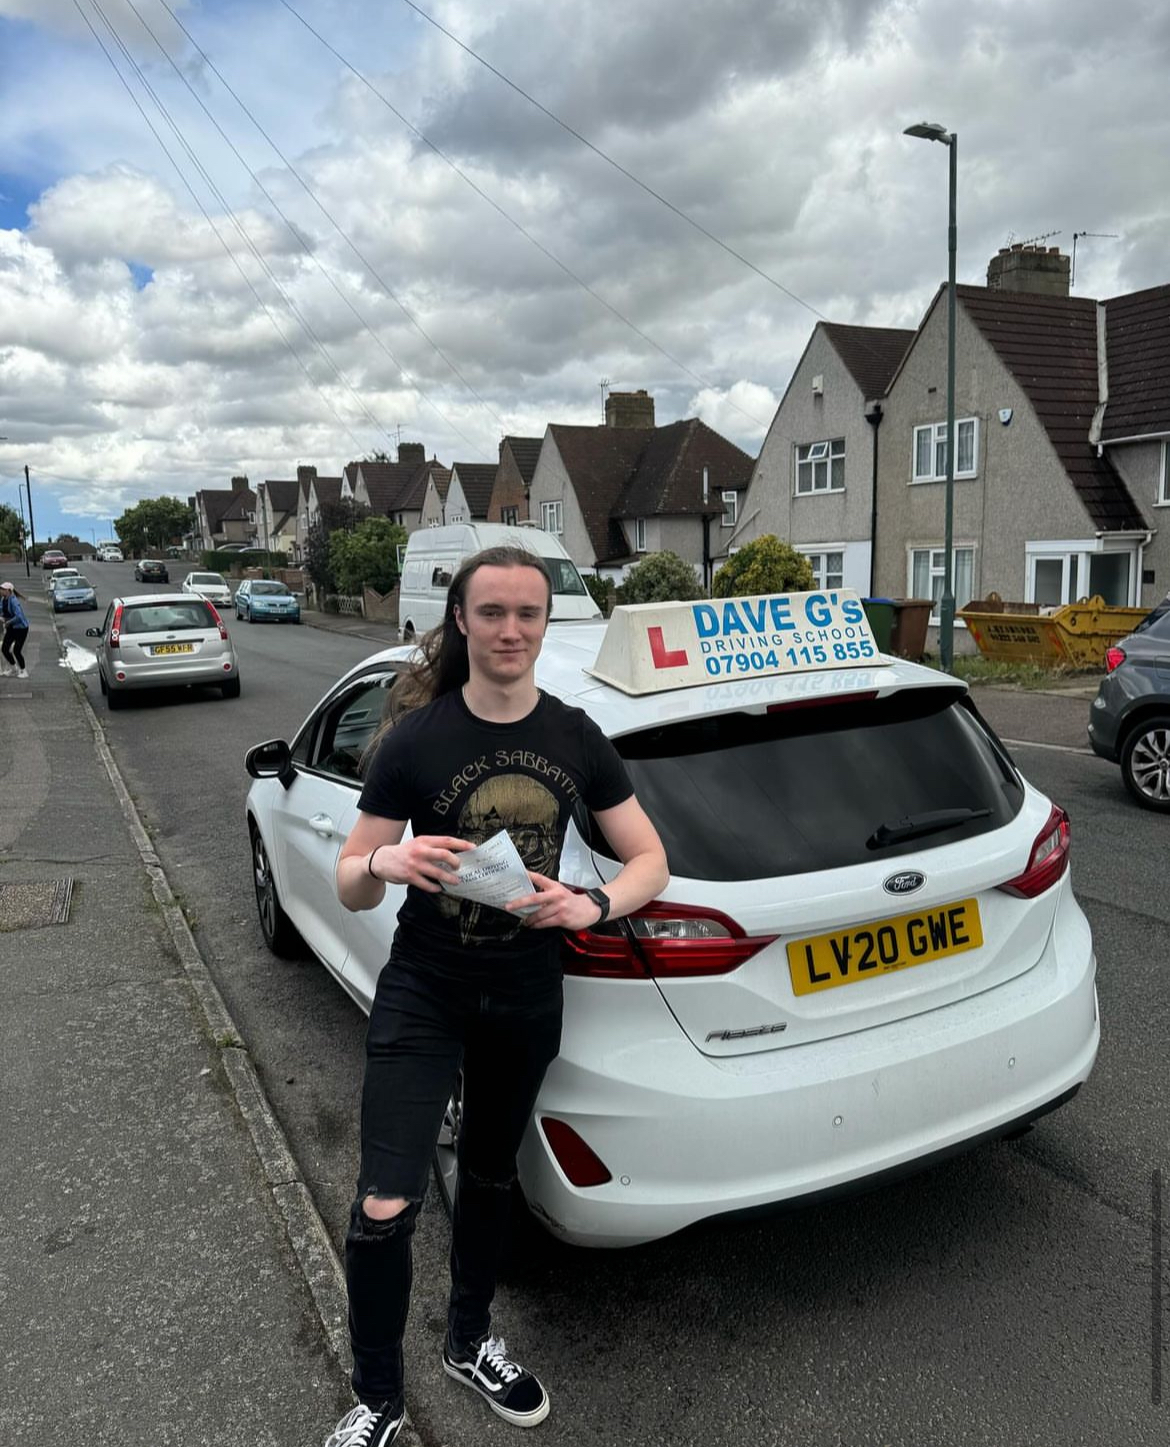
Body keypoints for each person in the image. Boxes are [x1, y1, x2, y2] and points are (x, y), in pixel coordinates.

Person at [326, 546, 668, 1447]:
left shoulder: (574, 735)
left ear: (546, 623)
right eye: (492, 613)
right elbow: (348, 883)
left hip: (524, 993)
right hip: (425, 991)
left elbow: (650, 860)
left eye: (528, 613)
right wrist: (383, 861)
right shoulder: (416, 740)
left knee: (487, 1173)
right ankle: (377, 1398)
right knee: (385, 1200)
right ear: (462, 624)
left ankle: (470, 1340)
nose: (511, 629)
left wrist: (591, 901)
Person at [1, 582, 30, 679]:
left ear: (9, 591)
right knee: (4, 648)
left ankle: (24, 671)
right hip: (11, 628)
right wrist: (2, 617)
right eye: (1, 589)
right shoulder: (3, 599)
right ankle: (14, 668)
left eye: (3, 589)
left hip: (21, 628)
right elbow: (2, 611)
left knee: (17, 650)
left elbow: (19, 616)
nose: (1, 590)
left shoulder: (13, 601)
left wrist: (9, 622)